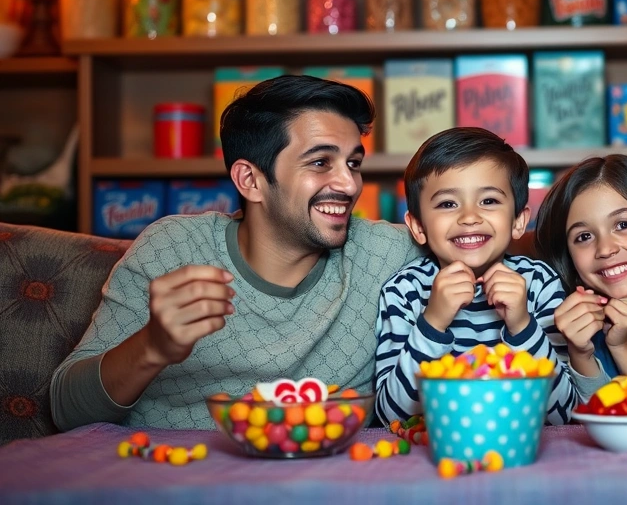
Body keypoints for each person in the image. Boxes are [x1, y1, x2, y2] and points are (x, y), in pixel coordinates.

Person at [50, 75, 422, 430]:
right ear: (250, 180)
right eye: (321, 162)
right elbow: (66, 409)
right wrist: (152, 346)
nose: (349, 183)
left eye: (353, 163)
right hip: (169, 478)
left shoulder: (385, 254)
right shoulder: (173, 249)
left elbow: (472, 242)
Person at [375, 128, 578, 425]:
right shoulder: (404, 292)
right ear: (418, 226)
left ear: (519, 221)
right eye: (447, 204)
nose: (469, 217)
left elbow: (564, 414)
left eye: (489, 201)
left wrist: (522, 325)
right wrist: (432, 323)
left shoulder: (539, 284)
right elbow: (391, 416)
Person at [534, 155, 627, 401]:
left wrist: (623, 346)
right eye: (584, 237)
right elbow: (596, 420)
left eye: (623, 224)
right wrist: (580, 354)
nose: (605, 249)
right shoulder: (570, 324)